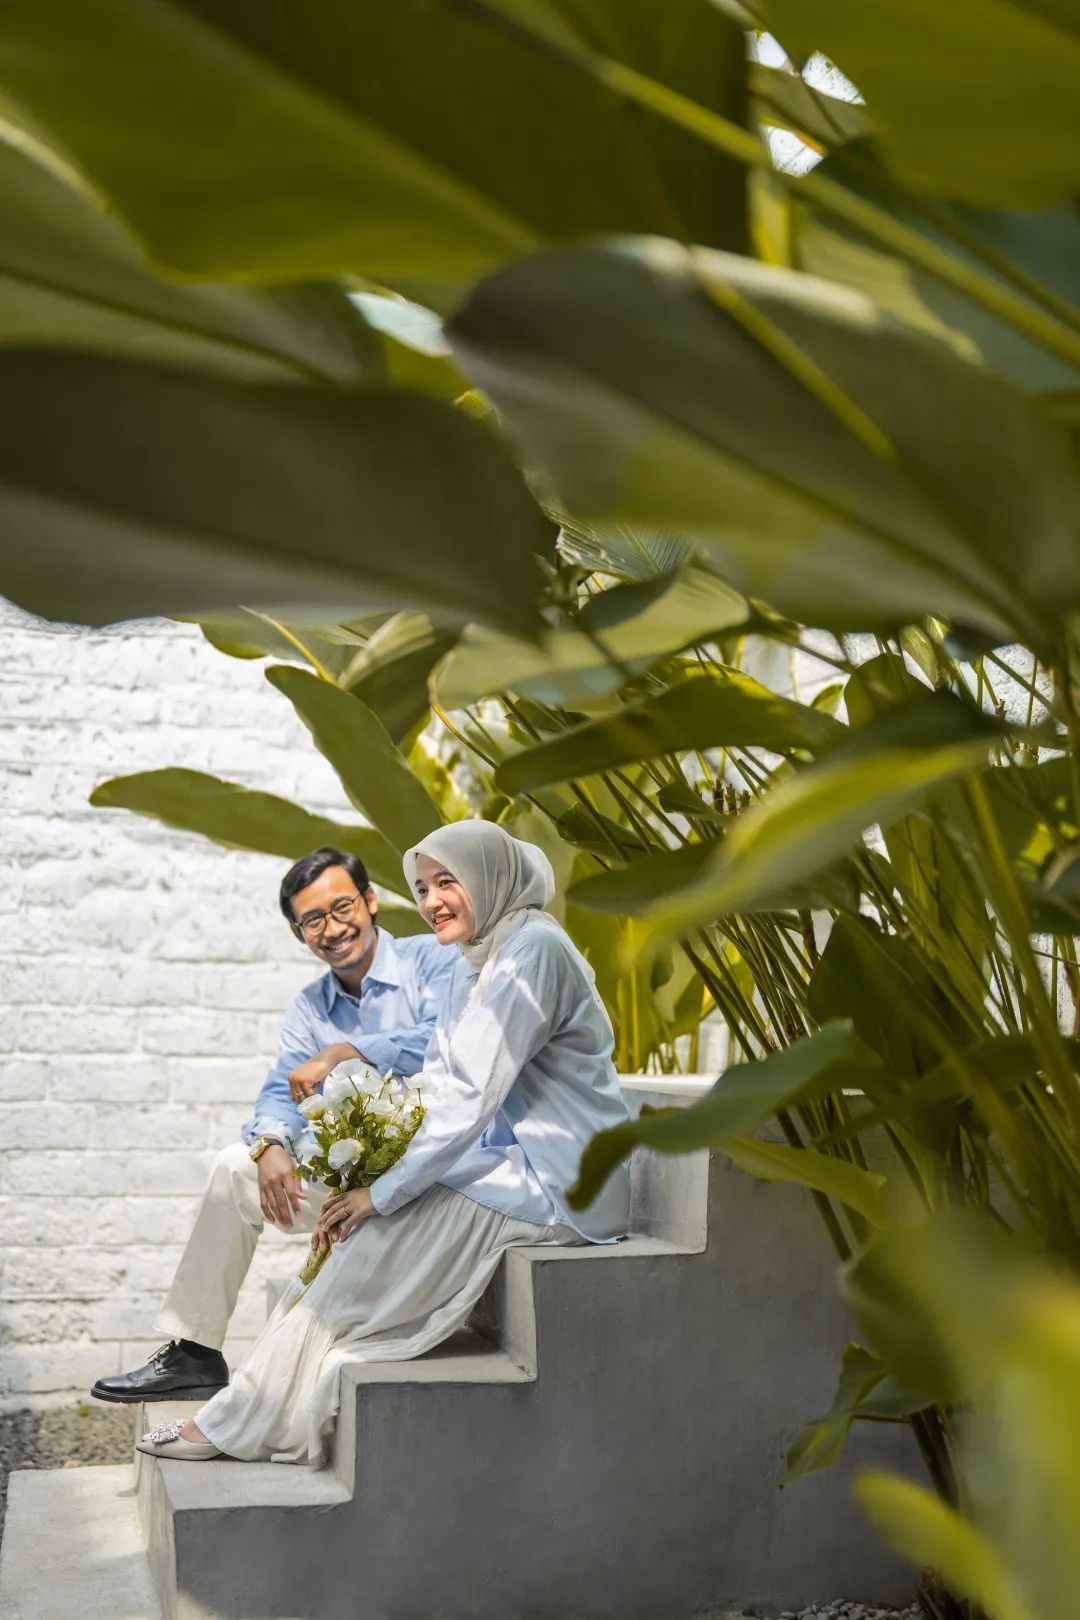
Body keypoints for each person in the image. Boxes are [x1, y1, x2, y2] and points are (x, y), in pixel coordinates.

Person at [135, 819, 632, 1464]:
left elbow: (470, 1094)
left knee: (368, 1237)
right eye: (422, 888)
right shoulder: (476, 956)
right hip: (504, 1162)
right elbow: (435, 1081)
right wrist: (349, 1177)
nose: (432, 902)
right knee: (346, 1234)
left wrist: (383, 1192)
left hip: (565, 1180)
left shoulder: (530, 951)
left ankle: (239, 1418)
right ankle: (237, 1404)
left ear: (489, 876)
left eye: (447, 882)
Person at [92, 846, 454, 1406]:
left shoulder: (434, 959)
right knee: (234, 1166)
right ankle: (195, 1354)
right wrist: (269, 1145)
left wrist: (343, 1051)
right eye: (313, 920)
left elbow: (443, 1042)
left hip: (432, 1177)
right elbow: (278, 1091)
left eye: (342, 908)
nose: (333, 929)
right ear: (297, 933)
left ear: (370, 901)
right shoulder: (311, 1007)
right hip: (350, 1185)